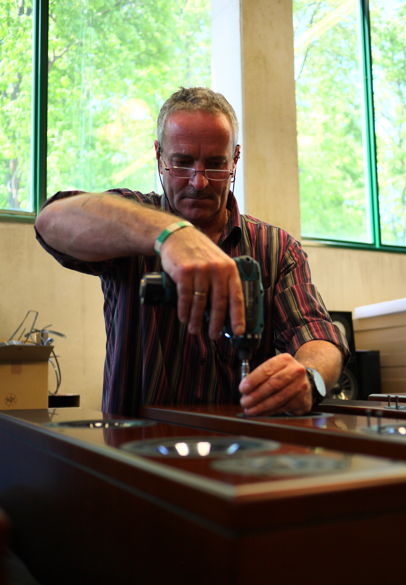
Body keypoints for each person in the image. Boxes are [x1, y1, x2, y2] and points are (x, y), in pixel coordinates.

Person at [35, 87, 348, 417]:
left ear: (235, 159)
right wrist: (169, 234)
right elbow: (50, 220)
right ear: (159, 156)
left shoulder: (277, 248)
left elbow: (318, 334)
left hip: (243, 444)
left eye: (215, 165)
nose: (199, 182)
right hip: (137, 445)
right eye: (182, 163)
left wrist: (310, 378)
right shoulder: (128, 219)